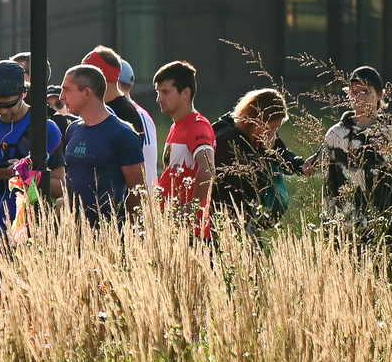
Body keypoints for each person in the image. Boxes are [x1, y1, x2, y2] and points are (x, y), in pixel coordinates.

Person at [314, 65, 392, 265]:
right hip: (347, 228)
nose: (360, 97)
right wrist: (328, 231)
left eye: (367, 92)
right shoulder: (336, 135)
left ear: (379, 95)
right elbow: (329, 188)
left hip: (386, 228)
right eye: (355, 92)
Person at [58, 63, 147, 225]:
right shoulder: (72, 130)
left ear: (86, 92)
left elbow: (138, 192)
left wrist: (129, 235)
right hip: (71, 234)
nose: (61, 97)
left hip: (108, 235)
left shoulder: (123, 134)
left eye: (67, 89)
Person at [0, 60, 65, 237]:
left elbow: (61, 186)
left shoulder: (45, 129)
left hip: (27, 234)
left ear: (23, 94)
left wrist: (26, 175)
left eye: (8, 105)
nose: (2, 111)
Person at [211, 87, 305, 230]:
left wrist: (300, 165)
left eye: (276, 129)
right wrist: (263, 152)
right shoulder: (226, 140)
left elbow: (281, 153)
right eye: (270, 128)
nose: (273, 134)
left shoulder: (261, 134)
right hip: (228, 217)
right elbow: (248, 184)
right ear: (254, 119)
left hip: (249, 216)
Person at [151, 60, 217, 234]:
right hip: (172, 229)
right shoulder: (176, 126)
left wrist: (191, 209)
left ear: (185, 93)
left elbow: (208, 168)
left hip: (190, 234)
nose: (159, 99)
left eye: (165, 92)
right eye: (158, 92)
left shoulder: (197, 126)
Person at [85, 46, 155, 154]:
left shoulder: (125, 113)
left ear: (102, 78)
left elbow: (132, 163)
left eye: (86, 76)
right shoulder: (94, 107)